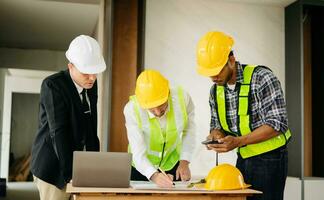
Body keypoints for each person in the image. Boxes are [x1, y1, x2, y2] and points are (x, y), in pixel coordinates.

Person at [196, 31, 291, 200]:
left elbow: (278, 123)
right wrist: (216, 136)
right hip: (243, 157)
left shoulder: (262, 78)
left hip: (271, 159)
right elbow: (216, 125)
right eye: (209, 72)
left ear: (231, 60)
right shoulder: (215, 90)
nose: (213, 77)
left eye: (217, 70)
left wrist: (238, 141)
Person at [31, 35, 106, 200]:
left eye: (95, 72)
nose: (92, 78)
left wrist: (95, 167)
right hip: (52, 166)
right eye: (86, 72)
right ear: (70, 66)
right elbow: (59, 132)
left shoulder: (90, 85)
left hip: (77, 165)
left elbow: (91, 126)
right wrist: (70, 175)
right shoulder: (53, 86)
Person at [123, 69, 196, 188]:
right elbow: (137, 151)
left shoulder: (183, 99)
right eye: (151, 108)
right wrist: (154, 175)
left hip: (173, 165)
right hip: (141, 168)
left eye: (161, 104)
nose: (158, 112)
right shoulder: (132, 110)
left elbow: (190, 131)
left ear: (168, 93)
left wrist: (184, 161)